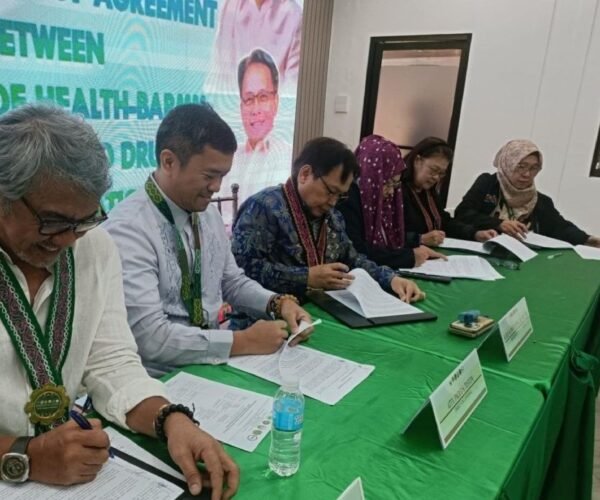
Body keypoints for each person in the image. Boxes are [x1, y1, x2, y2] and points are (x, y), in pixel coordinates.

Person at [0, 104, 238, 497]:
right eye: (53, 221)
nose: (68, 240)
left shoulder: (94, 247)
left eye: (85, 219)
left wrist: (171, 419)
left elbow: (111, 361)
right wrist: (23, 455)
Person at [104, 103, 313, 378]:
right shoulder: (129, 230)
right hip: (156, 378)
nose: (216, 187)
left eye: (222, 176)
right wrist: (242, 342)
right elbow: (151, 339)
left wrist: (277, 303)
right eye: (209, 176)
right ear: (169, 162)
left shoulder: (207, 214)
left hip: (212, 364)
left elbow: (231, 281)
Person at [231, 137, 424, 303]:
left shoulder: (333, 217)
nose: (333, 202)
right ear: (305, 174)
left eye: (340, 195)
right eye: (330, 191)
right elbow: (241, 270)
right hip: (265, 318)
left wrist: (390, 279)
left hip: (321, 308)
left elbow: (353, 258)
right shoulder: (263, 207)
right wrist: (306, 277)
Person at [454, 139, 600, 246]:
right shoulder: (488, 183)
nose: (527, 174)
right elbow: (463, 213)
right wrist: (499, 224)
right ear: (507, 164)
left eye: (533, 168)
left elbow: (560, 227)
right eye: (521, 166)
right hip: (481, 249)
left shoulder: (540, 201)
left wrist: (588, 239)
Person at [337, 135, 446, 268]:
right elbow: (357, 252)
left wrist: (417, 245)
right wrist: (408, 257)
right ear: (371, 175)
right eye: (387, 183)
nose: (391, 192)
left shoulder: (381, 200)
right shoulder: (347, 200)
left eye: (395, 184)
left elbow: (391, 238)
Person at [219, 48, 293, 214]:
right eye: (249, 99)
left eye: (263, 97)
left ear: (276, 102)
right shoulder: (228, 159)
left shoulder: (288, 158)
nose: (256, 109)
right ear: (241, 106)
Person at [401, 137, 497, 247]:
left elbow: (445, 222)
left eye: (441, 173)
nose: (436, 177)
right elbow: (389, 235)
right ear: (417, 161)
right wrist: (419, 239)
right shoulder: (396, 190)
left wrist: (475, 234)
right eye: (433, 170)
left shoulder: (429, 193)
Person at [204, 0, 302, 94]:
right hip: (228, 101)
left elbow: (292, 91)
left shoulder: (293, 15)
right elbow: (217, 76)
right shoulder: (229, 6)